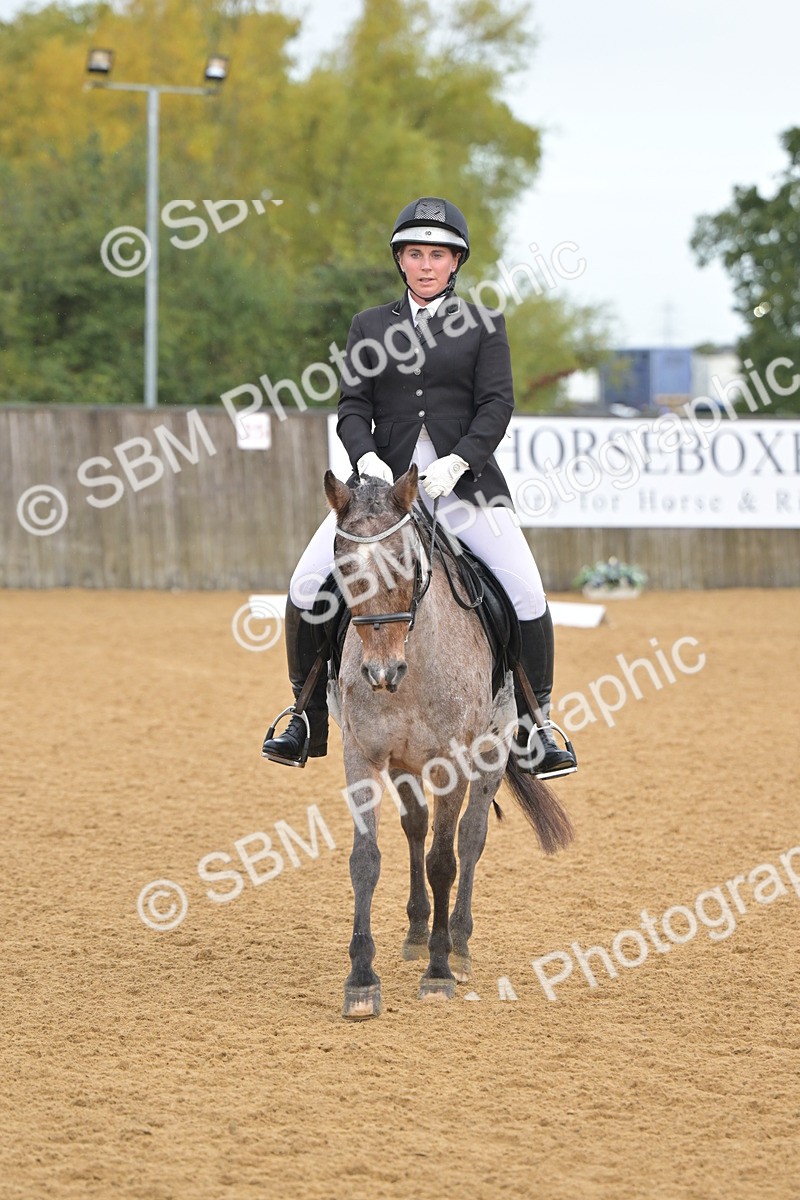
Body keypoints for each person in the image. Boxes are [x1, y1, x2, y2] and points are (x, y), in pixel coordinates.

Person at [262, 196, 577, 779]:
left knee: (527, 591)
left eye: (437, 255)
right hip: (382, 491)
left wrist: (459, 461)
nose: (425, 264)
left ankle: (537, 727)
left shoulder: (483, 324)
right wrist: (367, 460)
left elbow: (496, 405)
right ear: (400, 261)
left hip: (464, 484)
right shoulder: (369, 325)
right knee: (306, 584)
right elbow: (352, 406)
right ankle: (305, 718)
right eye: (414, 254)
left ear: (455, 262)